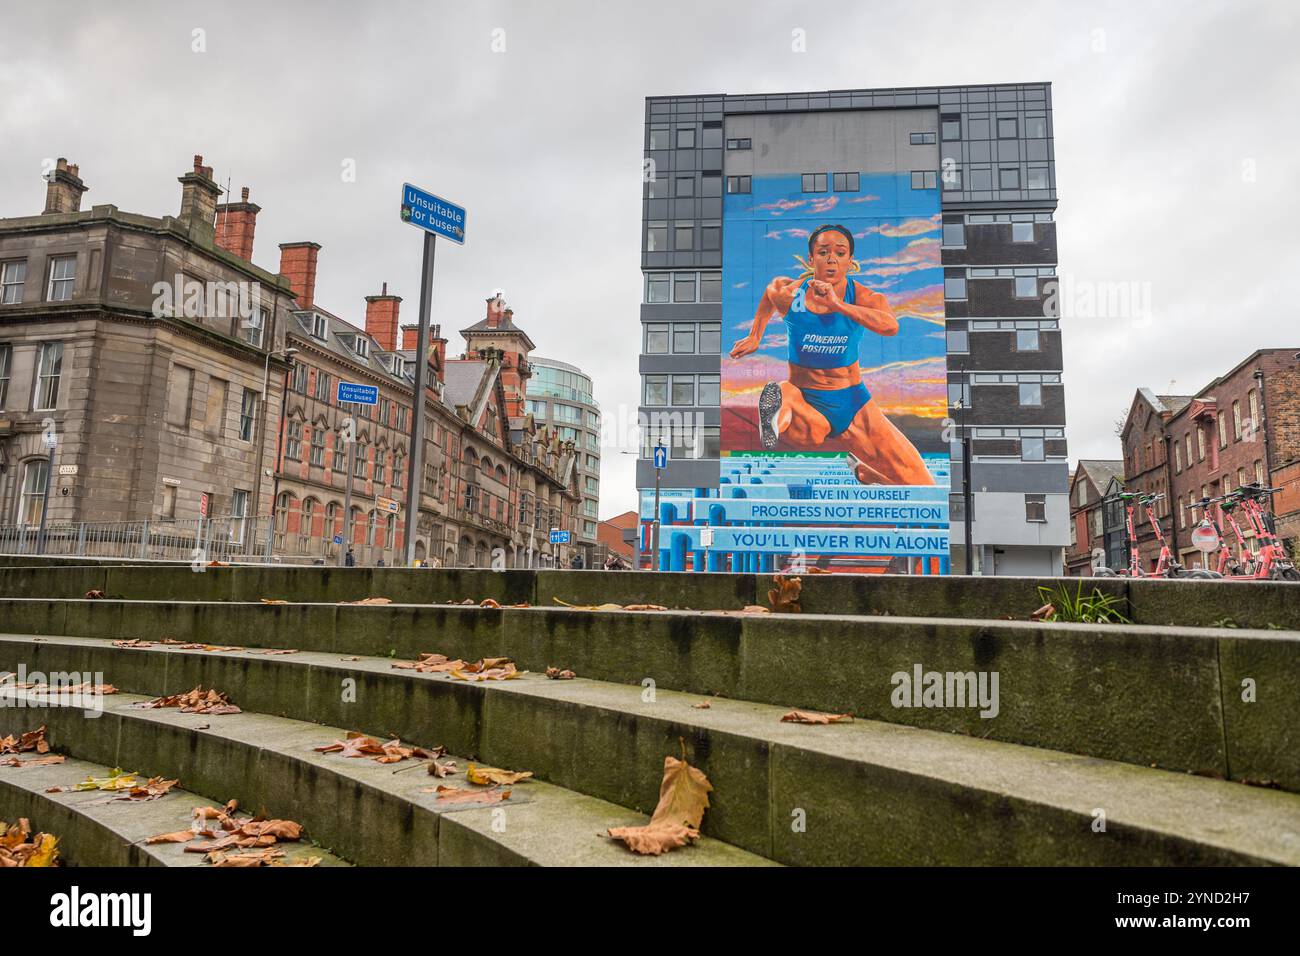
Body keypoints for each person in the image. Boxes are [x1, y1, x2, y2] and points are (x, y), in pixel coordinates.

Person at [729, 224, 934, 487]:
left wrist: (838, 305)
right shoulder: (790, 295)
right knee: (810, 431)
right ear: (811, 258)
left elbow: (890, 326)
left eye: (840, 253)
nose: (831, 259)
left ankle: (869, 475)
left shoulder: (863, 297)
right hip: (806, 397)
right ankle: (780, 405)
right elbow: (770, 294)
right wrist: (755, 335)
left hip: (853, 401)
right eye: (823, 252)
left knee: (921, 483)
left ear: (850, 260)